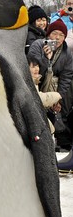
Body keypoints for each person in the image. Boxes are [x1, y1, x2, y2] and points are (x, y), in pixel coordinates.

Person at [28, 19, 73, 149]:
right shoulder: (38, 45)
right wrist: (47, 59)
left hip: (53, 88)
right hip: (37, 83)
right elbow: (33, 67)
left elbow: (66, 76)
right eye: (54, 33)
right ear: (48, 34)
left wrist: (58, 98)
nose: (57, 38)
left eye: (61, 35)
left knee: (64, 86)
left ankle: (58, 138)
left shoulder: (67, 53)